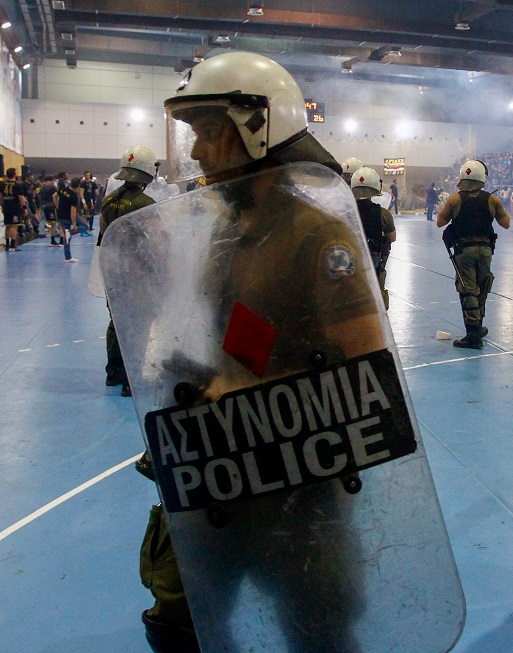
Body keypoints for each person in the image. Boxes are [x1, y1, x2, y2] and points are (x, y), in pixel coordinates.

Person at [133, 51, 384, 653]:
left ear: (257, 128)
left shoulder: (318, 235)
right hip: (222, 455)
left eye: (209, 133)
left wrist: (259, 390)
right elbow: (245, 340)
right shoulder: (230, 226)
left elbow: (368, 376)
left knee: (318, 619)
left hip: (296, 472)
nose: (195, 152)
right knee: (179, 606)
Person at [99, 146, 158, 396]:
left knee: (116, 323)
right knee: (138, 325)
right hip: (137, 275)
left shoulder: (108, 200)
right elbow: (157, 244)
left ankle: (113, 372)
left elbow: (104, 236)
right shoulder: (146, 204)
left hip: (113, 272)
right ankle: (130, 381)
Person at [437, 159, 510, 349]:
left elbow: (440, 221)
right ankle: (479, 325)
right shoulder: (492, 200)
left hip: (464, 251)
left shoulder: (455, 199)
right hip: (486, 250)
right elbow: (506, 223)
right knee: (482, 286)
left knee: (468, 289)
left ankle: (473, 333)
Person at [350, 166, 396, 309]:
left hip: (350, 259)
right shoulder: (382, 214)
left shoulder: (346, 211)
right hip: (372, 258)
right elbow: (392, 237)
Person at [53, 176, 80, 262]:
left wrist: (57, 206)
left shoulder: (63, 190)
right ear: (78, 186)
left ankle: (67, 254)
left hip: (60, 215)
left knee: (66, 234)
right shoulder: (73, 196)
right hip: (67, 217)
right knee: (67, 237)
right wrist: (74, 225)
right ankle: (68, 257)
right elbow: (73, 211)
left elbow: (54, 196)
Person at [2, 168, 28, 252]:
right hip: (15, 207)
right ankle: (12, 245)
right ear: (14, 174)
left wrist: (2, 206)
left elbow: (0, 197)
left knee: (8, 226)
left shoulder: (2, 184)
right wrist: (24, 208)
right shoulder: (17, 185)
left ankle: (7, 244)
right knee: (14, 226)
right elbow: (21, 198)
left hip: (6, 206)